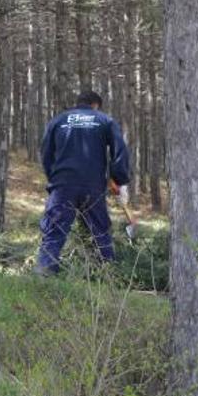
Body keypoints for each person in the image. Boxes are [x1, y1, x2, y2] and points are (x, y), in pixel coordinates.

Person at [35, 90, 130, 276]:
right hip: (93, 186)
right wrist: (120, 181)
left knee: (55, 229)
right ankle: (107, 276)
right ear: (96, 105)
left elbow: (46, 153)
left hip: (62, 184)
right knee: (100, 231)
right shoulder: (105, 120)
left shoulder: (58, 120)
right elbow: (120, 152)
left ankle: (44, 272)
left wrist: (53, 178)